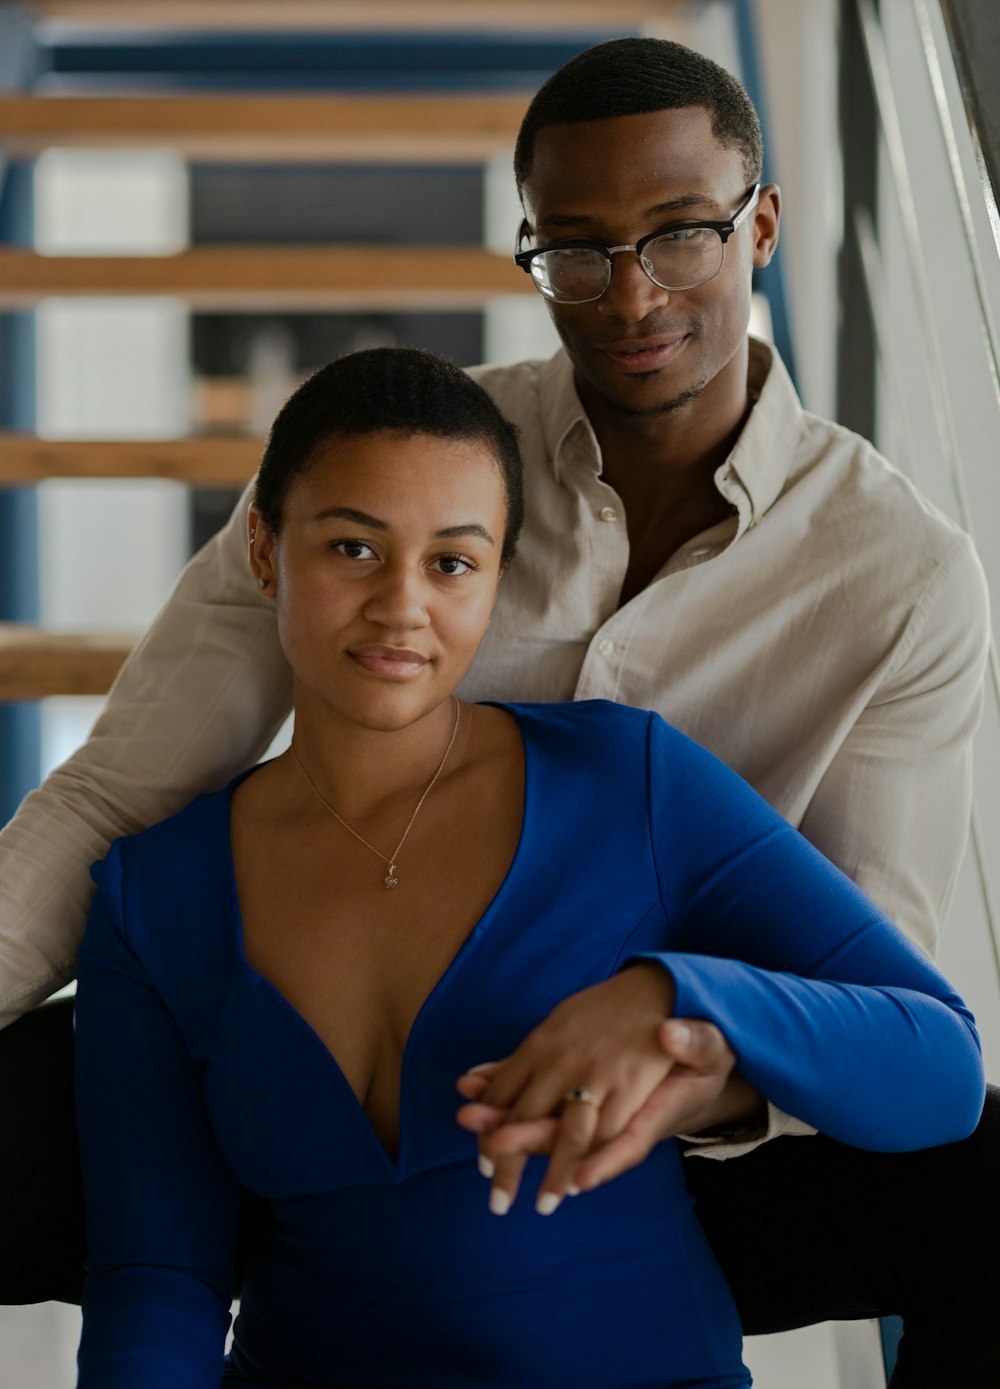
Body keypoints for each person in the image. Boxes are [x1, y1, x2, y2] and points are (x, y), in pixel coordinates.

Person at [0, 33, 995, 1387]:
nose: (631, 293)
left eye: (683, 236)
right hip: (324, 1111)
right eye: (578, 251)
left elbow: (881, 993)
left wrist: (681, 1035)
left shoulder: (898, 575)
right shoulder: (409, 462)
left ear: (760, 223)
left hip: (705, 1137)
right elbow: (117, 795)